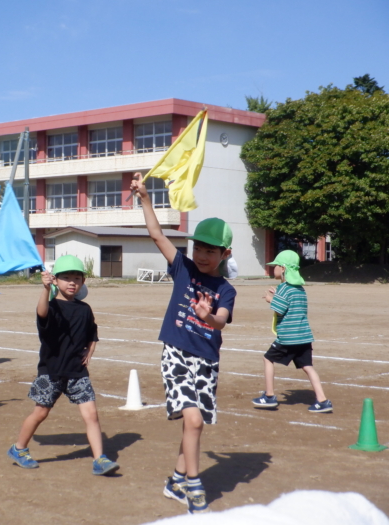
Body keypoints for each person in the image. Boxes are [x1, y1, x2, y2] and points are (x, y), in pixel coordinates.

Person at [131, 173, 237, 514]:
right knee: (192, 421)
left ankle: (175, 481)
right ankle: (194, 486)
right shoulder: (183, 269)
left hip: (206, 362)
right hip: (176, 354)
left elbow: (222, 320)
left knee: (195, 425)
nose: (202, 255)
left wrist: (208, 316)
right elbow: (157, 234)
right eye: (198, 248)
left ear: (225, 253)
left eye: (210, 250)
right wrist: (145, 198)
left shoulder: (226, 290)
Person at [7, 255, 119, 476]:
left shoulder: (85, 309)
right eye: (66, 278)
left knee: (91, 415)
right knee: (40, 413)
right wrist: (44, 289)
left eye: (77, 278)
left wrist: (90, 350)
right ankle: (18, 449)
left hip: (77, 371)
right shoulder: (52, 307)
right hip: (51, 371)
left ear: (83, 282)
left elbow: (92, 333)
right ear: (56, 280)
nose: (72, 282)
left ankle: (100, 459)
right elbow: (42, 313)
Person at [252, 250, 332, 413]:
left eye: (275, 266)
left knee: (267, 359)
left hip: (289, 337)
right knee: (307, 366)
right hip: (304, 336)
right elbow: (292, 305)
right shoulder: (300, 289)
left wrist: (270, 299)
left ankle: (269, 396)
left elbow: (280, 309)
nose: (273, 268)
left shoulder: (284, 288)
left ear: (283, 268)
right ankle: (322, 400)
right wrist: (277, 296)